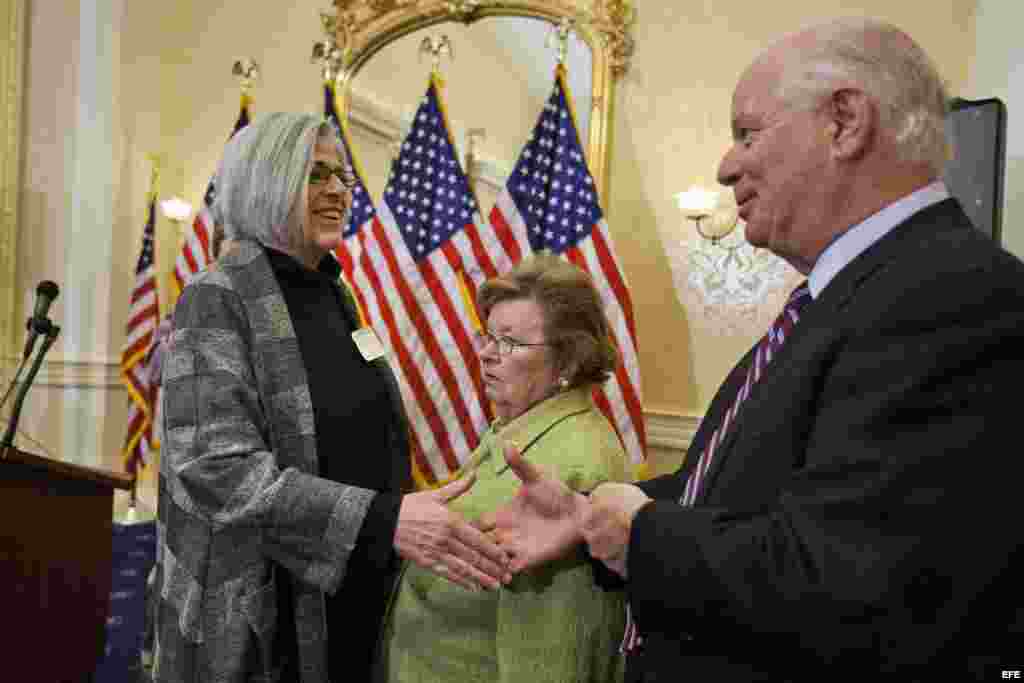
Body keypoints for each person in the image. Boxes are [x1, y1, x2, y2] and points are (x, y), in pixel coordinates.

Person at [484, 17, 1024, 681]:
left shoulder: (953, 296)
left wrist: (642, 536)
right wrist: (588, 512)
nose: (725, 164)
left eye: (747, 132)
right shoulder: (843, 297)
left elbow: (848, 581)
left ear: (845, 122)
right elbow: (729, 493)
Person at [153, 112, 510, 683]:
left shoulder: (333, 291)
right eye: (317, 174)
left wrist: (398, 514)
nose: (340, 191)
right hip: (262, 616)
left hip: (350, 586)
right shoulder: (217, 296)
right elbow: (216, 468)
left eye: (342, 177)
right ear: (267, 181)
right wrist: (380, 520)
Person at [379, 253, 629, 683]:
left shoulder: (579, 461)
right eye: (487, 337)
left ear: (568, 360)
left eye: (510, 343)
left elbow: (554, 658)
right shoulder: (521, 426)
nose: (486, 355)